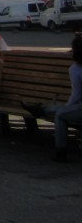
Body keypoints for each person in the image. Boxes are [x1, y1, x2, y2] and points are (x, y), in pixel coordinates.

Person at [23, 34, 82, 162]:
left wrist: (67, 107)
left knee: (61, 114)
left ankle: (61, 152)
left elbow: (77, 95)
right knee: (64, 110)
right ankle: (40, 109)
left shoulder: (76, 69)